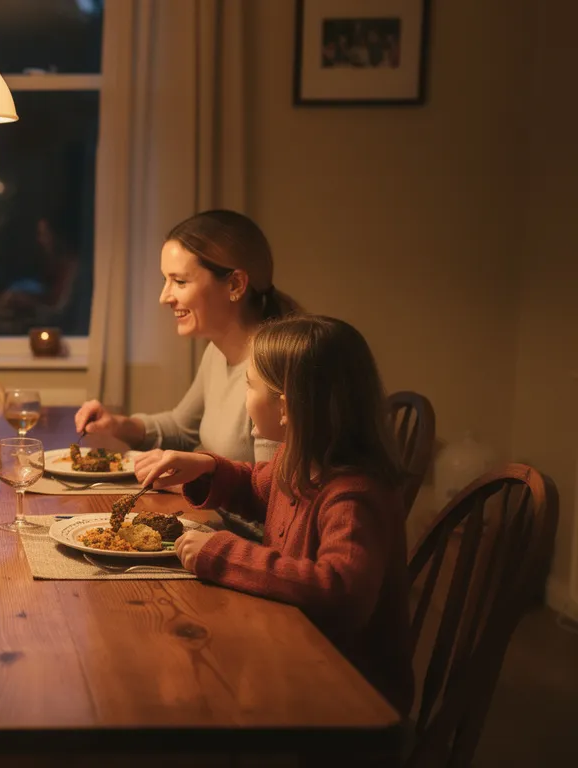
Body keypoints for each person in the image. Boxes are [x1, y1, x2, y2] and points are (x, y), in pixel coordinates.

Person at [138, 315, 414, 715]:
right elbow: (258, 488)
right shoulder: (298, 460)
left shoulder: (353, 495)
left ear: (284, 406)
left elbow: (341, 592)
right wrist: (206, 468)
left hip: (346, 694)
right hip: (293, 647)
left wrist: (224, 553)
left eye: (249, 385)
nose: (244, 397)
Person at [75, 210, 301, 478]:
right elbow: (182, 429)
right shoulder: (217, 352)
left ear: (235, 284)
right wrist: (117, 425)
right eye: (166, 280)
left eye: (180, 282)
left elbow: (273, 489)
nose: (164, 297)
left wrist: (200, 476)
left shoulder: (273, 369)